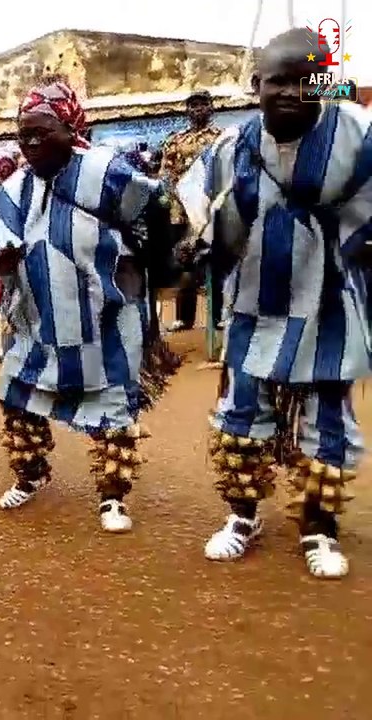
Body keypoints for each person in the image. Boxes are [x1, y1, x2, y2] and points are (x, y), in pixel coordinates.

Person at [178, 28, 371, 579]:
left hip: (330, 304)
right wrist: (199, 245)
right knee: (241, 418)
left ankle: (319, 530)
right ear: (256, 84)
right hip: (252, 306)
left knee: (327, 422)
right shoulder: (229, 148)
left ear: (324, 84)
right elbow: (202, 216)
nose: (290, 91)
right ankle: (243, 517)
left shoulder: (359, 136)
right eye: (278, 80)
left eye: (305, 80)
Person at [0, 78, 171, 533]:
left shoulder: (106, 172)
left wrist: (145, 266)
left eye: (43, 131)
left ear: (71, 128)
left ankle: (113, 498)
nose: (31, 142)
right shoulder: (15, 186)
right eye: (24, 134)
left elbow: (157, 210)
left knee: (113, 406)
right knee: (18, 397)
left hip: (105, 316)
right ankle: (30, 475)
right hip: (38, 320)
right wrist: (1, 261)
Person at [162, 90, 224, 332]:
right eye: (193, 105)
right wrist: (173, 203)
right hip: (184, 212)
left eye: (202, 104)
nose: (198, 109)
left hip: (213, 210)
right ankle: (184, 318)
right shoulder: (176, 141)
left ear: (211, 108)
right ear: (187, 111)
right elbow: (167, 175)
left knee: (217, 262)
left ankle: (217, 315)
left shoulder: (221, 138)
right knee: (185, 264)